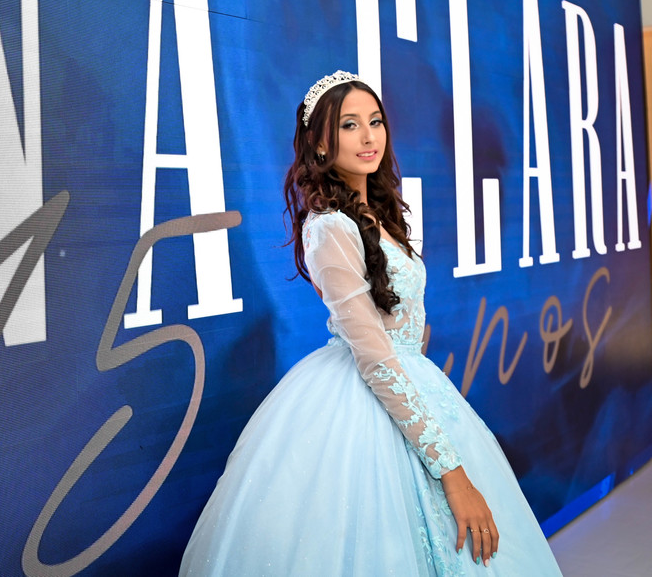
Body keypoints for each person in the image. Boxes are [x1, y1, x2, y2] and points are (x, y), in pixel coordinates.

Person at [178, 71, 562, 575]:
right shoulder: (329, 228)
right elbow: (377, 358)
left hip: (413, 384)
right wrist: (451, 473)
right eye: (349, 125)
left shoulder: (376, 215)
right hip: (368, 395)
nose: (368, 136)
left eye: (375, 121)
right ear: (319, 143)